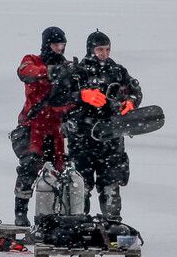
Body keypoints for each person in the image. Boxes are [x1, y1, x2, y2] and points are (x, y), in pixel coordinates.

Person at [60, 29, 142, 219]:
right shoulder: (77, 72)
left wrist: (130, 102)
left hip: (111, 139)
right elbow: (60, 98)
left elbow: (136, 90)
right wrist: (81, 96)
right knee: (80, 186)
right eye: (99, 50)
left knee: (111, 185)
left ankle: (112, 223)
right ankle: (78, 224)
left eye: (107, 49)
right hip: (82, 138)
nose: (104, 54)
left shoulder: (118, 71)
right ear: (90, 50)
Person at [12, 26, 72, 226]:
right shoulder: (32, 61)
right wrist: (50, 71)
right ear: (47, 45)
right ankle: (20, 212)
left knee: (60, 172)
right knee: (29, 166)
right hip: (33, 126)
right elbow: (24, 72)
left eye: (62, 45)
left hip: (55, 129)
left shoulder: (67, 68)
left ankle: (56, 215)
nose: (59, 49)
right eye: (56, 45)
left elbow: (72, 98)